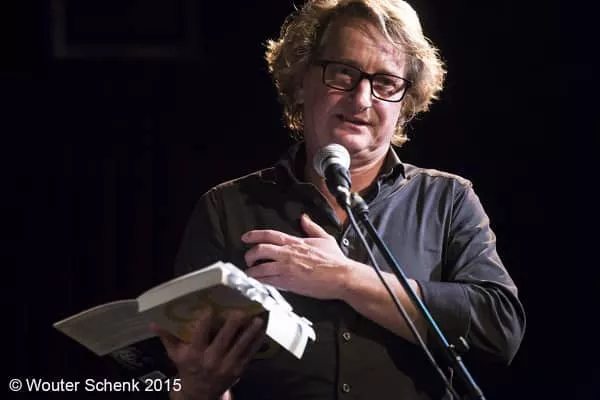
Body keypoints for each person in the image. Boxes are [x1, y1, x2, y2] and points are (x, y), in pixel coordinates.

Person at [151, 1, 526, 399]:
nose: (362, 99)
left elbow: (499, 328)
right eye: (344, 73)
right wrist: (199, 388)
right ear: (300, 81)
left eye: (386, 83)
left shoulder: (447, 200)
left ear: (404, 103)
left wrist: (345, 279)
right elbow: (186, 370)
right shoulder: (227, 209)